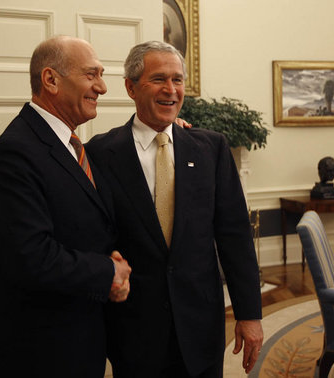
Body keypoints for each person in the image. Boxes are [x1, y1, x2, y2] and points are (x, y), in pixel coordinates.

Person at [87, 40, 264, 378]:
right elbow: (93, 235)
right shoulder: (99, 154)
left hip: (202, 327)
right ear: (131, 87)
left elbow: (235, 236)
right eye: (158, 79)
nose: (171, 90)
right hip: (133, 331)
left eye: (178, 80)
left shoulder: (211, 148)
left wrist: (249, 314)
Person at [0, 35, 131, 378]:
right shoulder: (16, 150)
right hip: (40, 350)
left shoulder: (75, 145)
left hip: (81, 339)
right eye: (91, 75)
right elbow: (28, 257)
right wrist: (107, 272)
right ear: (51, 80)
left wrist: (177, 133)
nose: (103, 87)